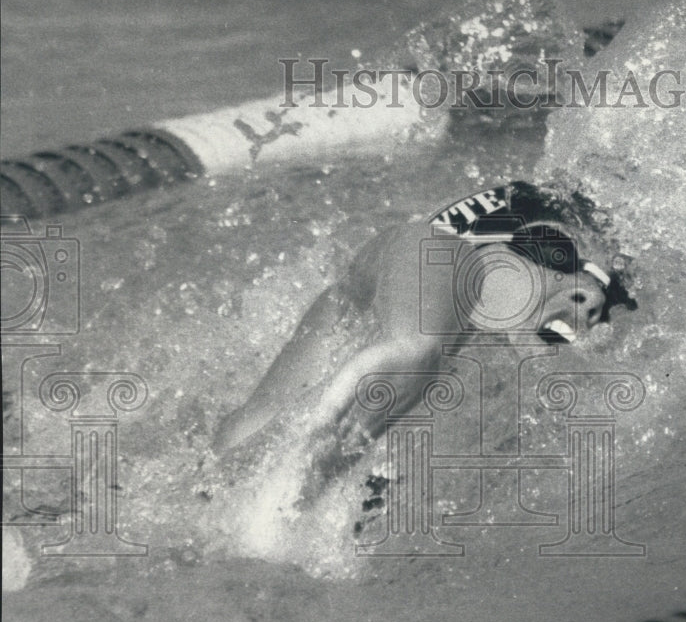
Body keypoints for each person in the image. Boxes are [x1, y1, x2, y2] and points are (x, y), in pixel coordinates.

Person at [213, 181, 635, 482]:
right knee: (416, 353)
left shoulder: (546, 234)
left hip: (373, 281)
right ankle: (292, 465)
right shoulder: (558, 253)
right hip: (427, 255)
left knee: (235, 451)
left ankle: (264, 476)